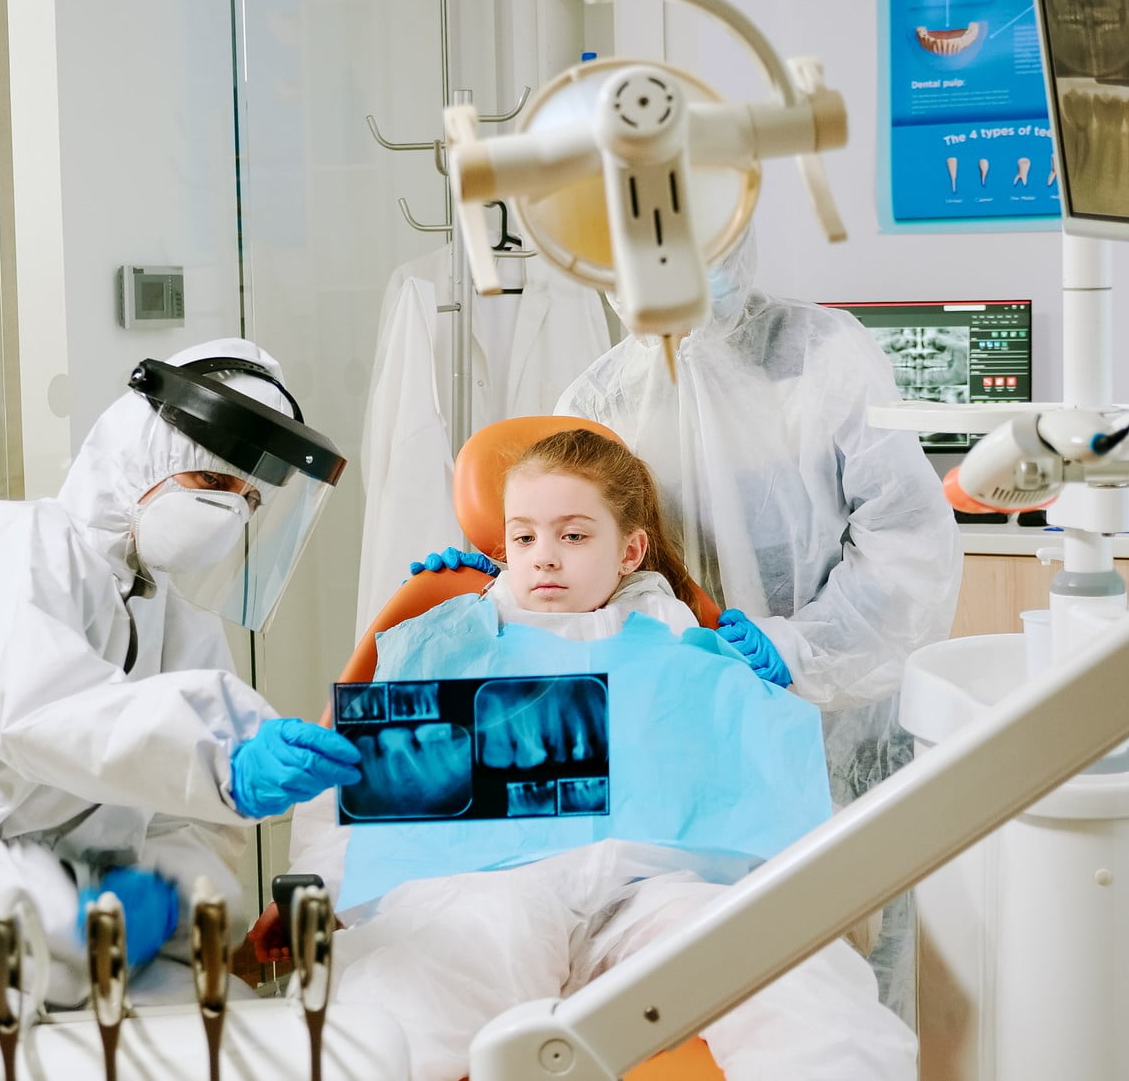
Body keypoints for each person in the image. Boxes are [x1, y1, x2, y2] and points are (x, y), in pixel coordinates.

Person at [0, 339, 363, 1064]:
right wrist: (223, 751)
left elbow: (190, 821)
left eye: (249, 498)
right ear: (140, 451)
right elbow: (42, 711)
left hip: (91, 927)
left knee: (253, 1052)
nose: (229, 513)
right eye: (211, 480)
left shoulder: (178, 617)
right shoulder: (19, 546)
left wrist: (168, 889)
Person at [284, 428, 917, 1081]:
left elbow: (755, 789)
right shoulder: (453, 635)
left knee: (804, 989)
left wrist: (751, 689)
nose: (545, 557)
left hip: (653, 892)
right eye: (524, 537)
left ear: (630, 549)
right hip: (493, 886)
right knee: (401, 1011)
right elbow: (362, 786)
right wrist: (316, 887)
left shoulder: (682, 642)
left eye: (573, 535)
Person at [541, 233, 965, 1020]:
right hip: (678, 746)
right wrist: (494, 579)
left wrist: (800, 648)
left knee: (848, 982)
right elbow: (572, 563)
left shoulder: (823, 354)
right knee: (701, 980)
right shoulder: (596, 403)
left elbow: (908, 546)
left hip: (832, 731)